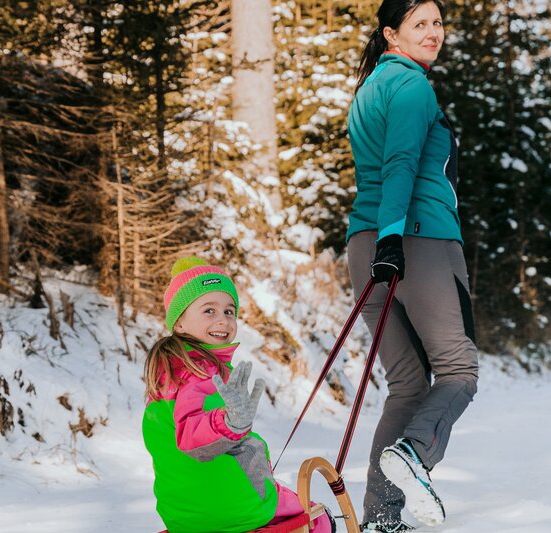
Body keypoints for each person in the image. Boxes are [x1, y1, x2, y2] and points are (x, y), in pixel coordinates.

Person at [345, 1, 479, 531]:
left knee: (406, 384)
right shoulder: (413, 86)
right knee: (459, 370)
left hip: (364, 243)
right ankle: (415, 455)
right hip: (417, 242)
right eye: (419, 23)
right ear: (391, 33)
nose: (433, 32)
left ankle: (380, 517)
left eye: (438, 23)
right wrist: (395, 237)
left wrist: (380, 241)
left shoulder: (368, 90)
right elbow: (401, 163)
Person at [142, 256, 333, 533]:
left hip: (181, 516)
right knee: (319, 518)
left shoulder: (166, 375)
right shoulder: (198, 372)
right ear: (179, 323)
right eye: (209, 311)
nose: (223, 320)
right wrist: (230, 424)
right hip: (232, 509)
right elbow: (191, 435)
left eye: (229, 311)